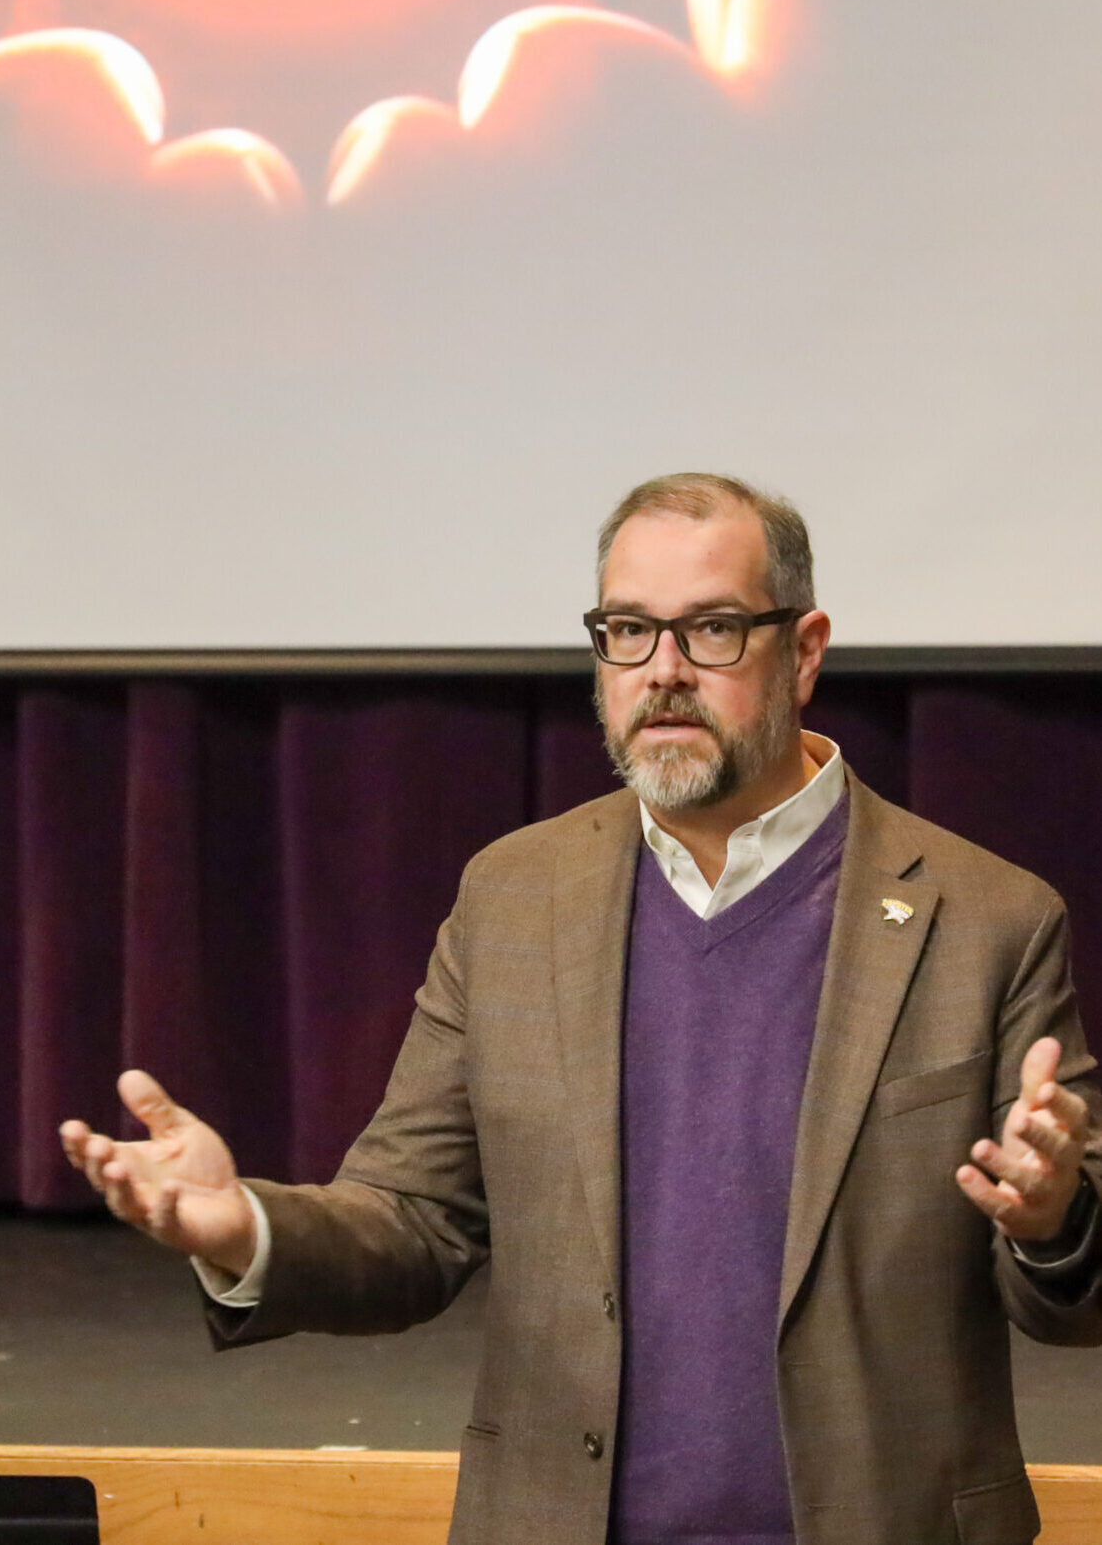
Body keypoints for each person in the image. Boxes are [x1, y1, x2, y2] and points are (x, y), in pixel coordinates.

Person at [60, 473, 1102, 1545]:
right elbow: (414, 1221)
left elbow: (1077, 1285)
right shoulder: (515, 898)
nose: (664, 673)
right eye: (629, 631)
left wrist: (1053, 1216)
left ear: (805, 650)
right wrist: (248, 1230)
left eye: (713, 630)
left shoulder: (986, 919)